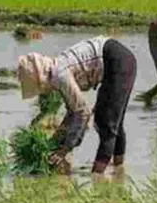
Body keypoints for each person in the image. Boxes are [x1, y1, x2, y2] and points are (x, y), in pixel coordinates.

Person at [17, 36, 136, 175]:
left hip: (118, 61)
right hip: (118, 59)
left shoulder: (60, 76)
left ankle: (97, 176)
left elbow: (83, 113)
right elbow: (72, 113)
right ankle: (118, 171)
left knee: (106, 122)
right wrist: (55, 142)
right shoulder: (57, 71)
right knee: (113, 120)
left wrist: (65, 149)